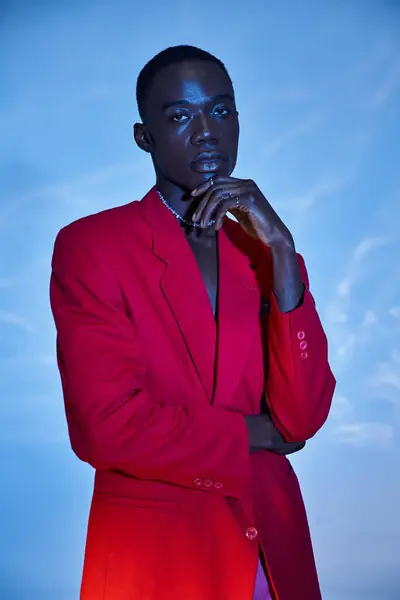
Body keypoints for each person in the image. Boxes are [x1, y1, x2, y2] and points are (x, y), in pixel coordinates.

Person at [50, 45, 336, 600]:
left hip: (274, 555)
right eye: (180, 116)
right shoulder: (92, 246)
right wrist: (258, 433)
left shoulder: (269, 254)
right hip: (157, 557)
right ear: (144, 137)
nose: (207, 131)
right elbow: (104, 426)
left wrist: (281, 250)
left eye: (221, 111)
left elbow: (302, 416)